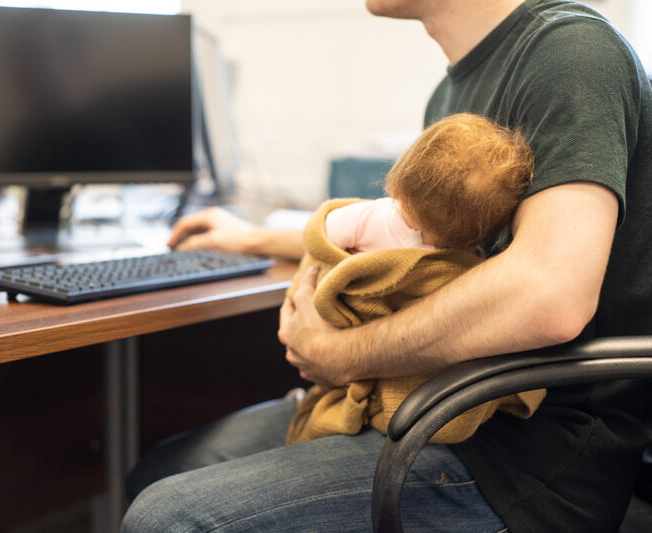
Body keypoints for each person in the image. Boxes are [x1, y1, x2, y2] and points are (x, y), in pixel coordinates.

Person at [123, 0, 652, 531]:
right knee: (160, 468)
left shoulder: (572, 54)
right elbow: (407, 238)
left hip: (524, 459)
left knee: (165, 518)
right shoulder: (449, 93)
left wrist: (340, 354)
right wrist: (252, 238)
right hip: (433, 403)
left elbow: (549, 295)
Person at [286, 112, 544, 445]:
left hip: (354, 343)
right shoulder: (461, 266)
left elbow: (321, 236)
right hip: (402, 385)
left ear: (403, 174)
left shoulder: (370, 216)